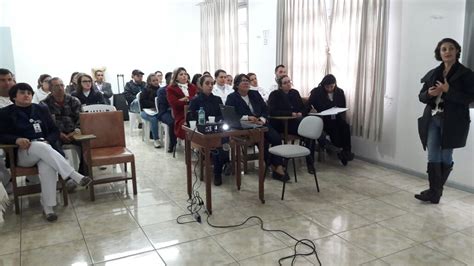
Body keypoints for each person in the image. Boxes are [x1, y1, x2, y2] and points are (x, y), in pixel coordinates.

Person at [0, 83, 92, 221]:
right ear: (14, 96)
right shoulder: (5, 113)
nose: (27, 95)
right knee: (40, 147)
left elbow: (54, 130)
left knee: (47, 165)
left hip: (45, 149)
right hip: (22, 153)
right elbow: (1, 135)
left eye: (29, 93)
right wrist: (17, 139)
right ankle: (73, 175)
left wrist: (49, 140)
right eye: (22, 93)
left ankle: (48, 208)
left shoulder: (41, 109)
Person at [415, 38, 474, 204]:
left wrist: (449, 90)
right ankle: (435, 192)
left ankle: (435, 192)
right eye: (443, 49)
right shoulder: (434, 73)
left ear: (457, 51)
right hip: (433, 118)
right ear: (439, 53)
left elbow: (470, 98)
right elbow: (421, 96)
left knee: (446, 154)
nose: (447, 51)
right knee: (433, 153)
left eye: (451, 48)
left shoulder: (466, 74)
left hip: (453, 122)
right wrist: (429, 94)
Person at [225, 74, 288, 181]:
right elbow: (230, 115)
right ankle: (277, 167)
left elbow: (265, 109)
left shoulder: (255, 94)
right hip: (245, 127)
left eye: (247, 81)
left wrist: (262, 119)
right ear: (236, 85)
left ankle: (276, 165)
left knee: (276, 139)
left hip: (261, 123)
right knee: (263, 142)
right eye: (243, 81)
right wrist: (247, 117)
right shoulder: (232, 97)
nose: (246, 82)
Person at [41, 77, 84, 191]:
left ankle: (82, 174)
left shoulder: (74, 100)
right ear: (50, 88)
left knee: (87, 144)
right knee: (53, 147)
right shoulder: (44, 104)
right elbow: (45, 125)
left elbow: (81, 119)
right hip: (55, 134)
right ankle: (67, 178)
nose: (60, 88)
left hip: (74, 132)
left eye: (61, 85)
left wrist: (74, 132)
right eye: (56, 86)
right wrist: (59, 134)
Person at [267, 75, 315, 174]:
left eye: (289, 81)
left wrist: (301, 113)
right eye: (285, 83)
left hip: (295, 122)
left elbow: (304, 107)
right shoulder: (275, 94)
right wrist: (290, 113)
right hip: (281, 124)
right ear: (280, 86)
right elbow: (272, 111)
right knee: (306, 130)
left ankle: (310, 163)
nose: (288, 84)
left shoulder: (295, 93)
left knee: (309, 133)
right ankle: (280, 163)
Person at [189, 75, 227, 185]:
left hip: (216, 128)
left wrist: (214, 119)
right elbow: (191, 117)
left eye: (212, 83)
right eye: (207, 83)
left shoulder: (217, 99)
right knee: (216, 144)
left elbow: (222, 115)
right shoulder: (196, 100)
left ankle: (222, 165)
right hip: (202, 130)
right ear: (201, 85)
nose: (210, 86)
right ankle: (218, 172)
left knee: (223, 139)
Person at [308, 74, 354, 166]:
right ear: (323, 85)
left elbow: (342, 106)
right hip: (323, 119)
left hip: (336, 117)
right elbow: (309, 104)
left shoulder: (340, 92)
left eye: (332, 86)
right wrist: (313, 110)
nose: (329, 89)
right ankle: (340, 152)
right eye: (327, 87)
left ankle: (346, 151)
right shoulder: (317, 92)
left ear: (335, 84)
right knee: (334, 130)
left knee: (345, 127)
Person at [167, 67, 198, 140]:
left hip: (193, 112)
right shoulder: (171, 88)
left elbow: (196, 100)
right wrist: (190, 99)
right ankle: (188, 146)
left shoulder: (192, 87)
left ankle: (198, 145)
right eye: (181, 74)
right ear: (176, 77)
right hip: (180, 114)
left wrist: (185, 99)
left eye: (185, 74)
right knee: (188, 123)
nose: (184, 76)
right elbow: (174, 104)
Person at [140, 74, 162, 148]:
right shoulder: (145, 90)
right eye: (153, 81)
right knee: (153, 119)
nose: (156, 82)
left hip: (157, 110)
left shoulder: (160, 90)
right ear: (149, 82)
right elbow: (142, 102)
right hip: (145, 111)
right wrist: (153, 105)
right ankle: (156, 139)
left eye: (157, 80)